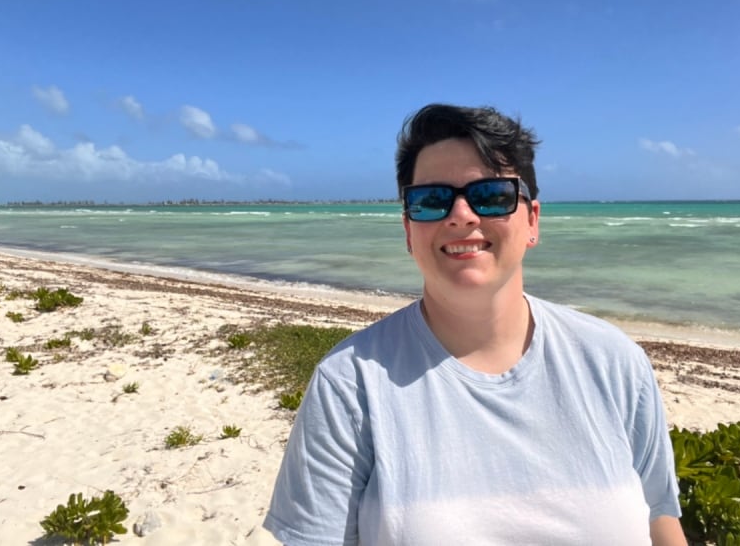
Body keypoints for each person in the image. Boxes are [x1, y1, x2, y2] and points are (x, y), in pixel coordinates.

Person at [263, 103, 687, 545]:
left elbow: (660, 521)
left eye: (491, 195)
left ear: (532, 221)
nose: (462, 215)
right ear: (409, 230)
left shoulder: (614, 362)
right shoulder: (350, 383)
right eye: (431, 200)